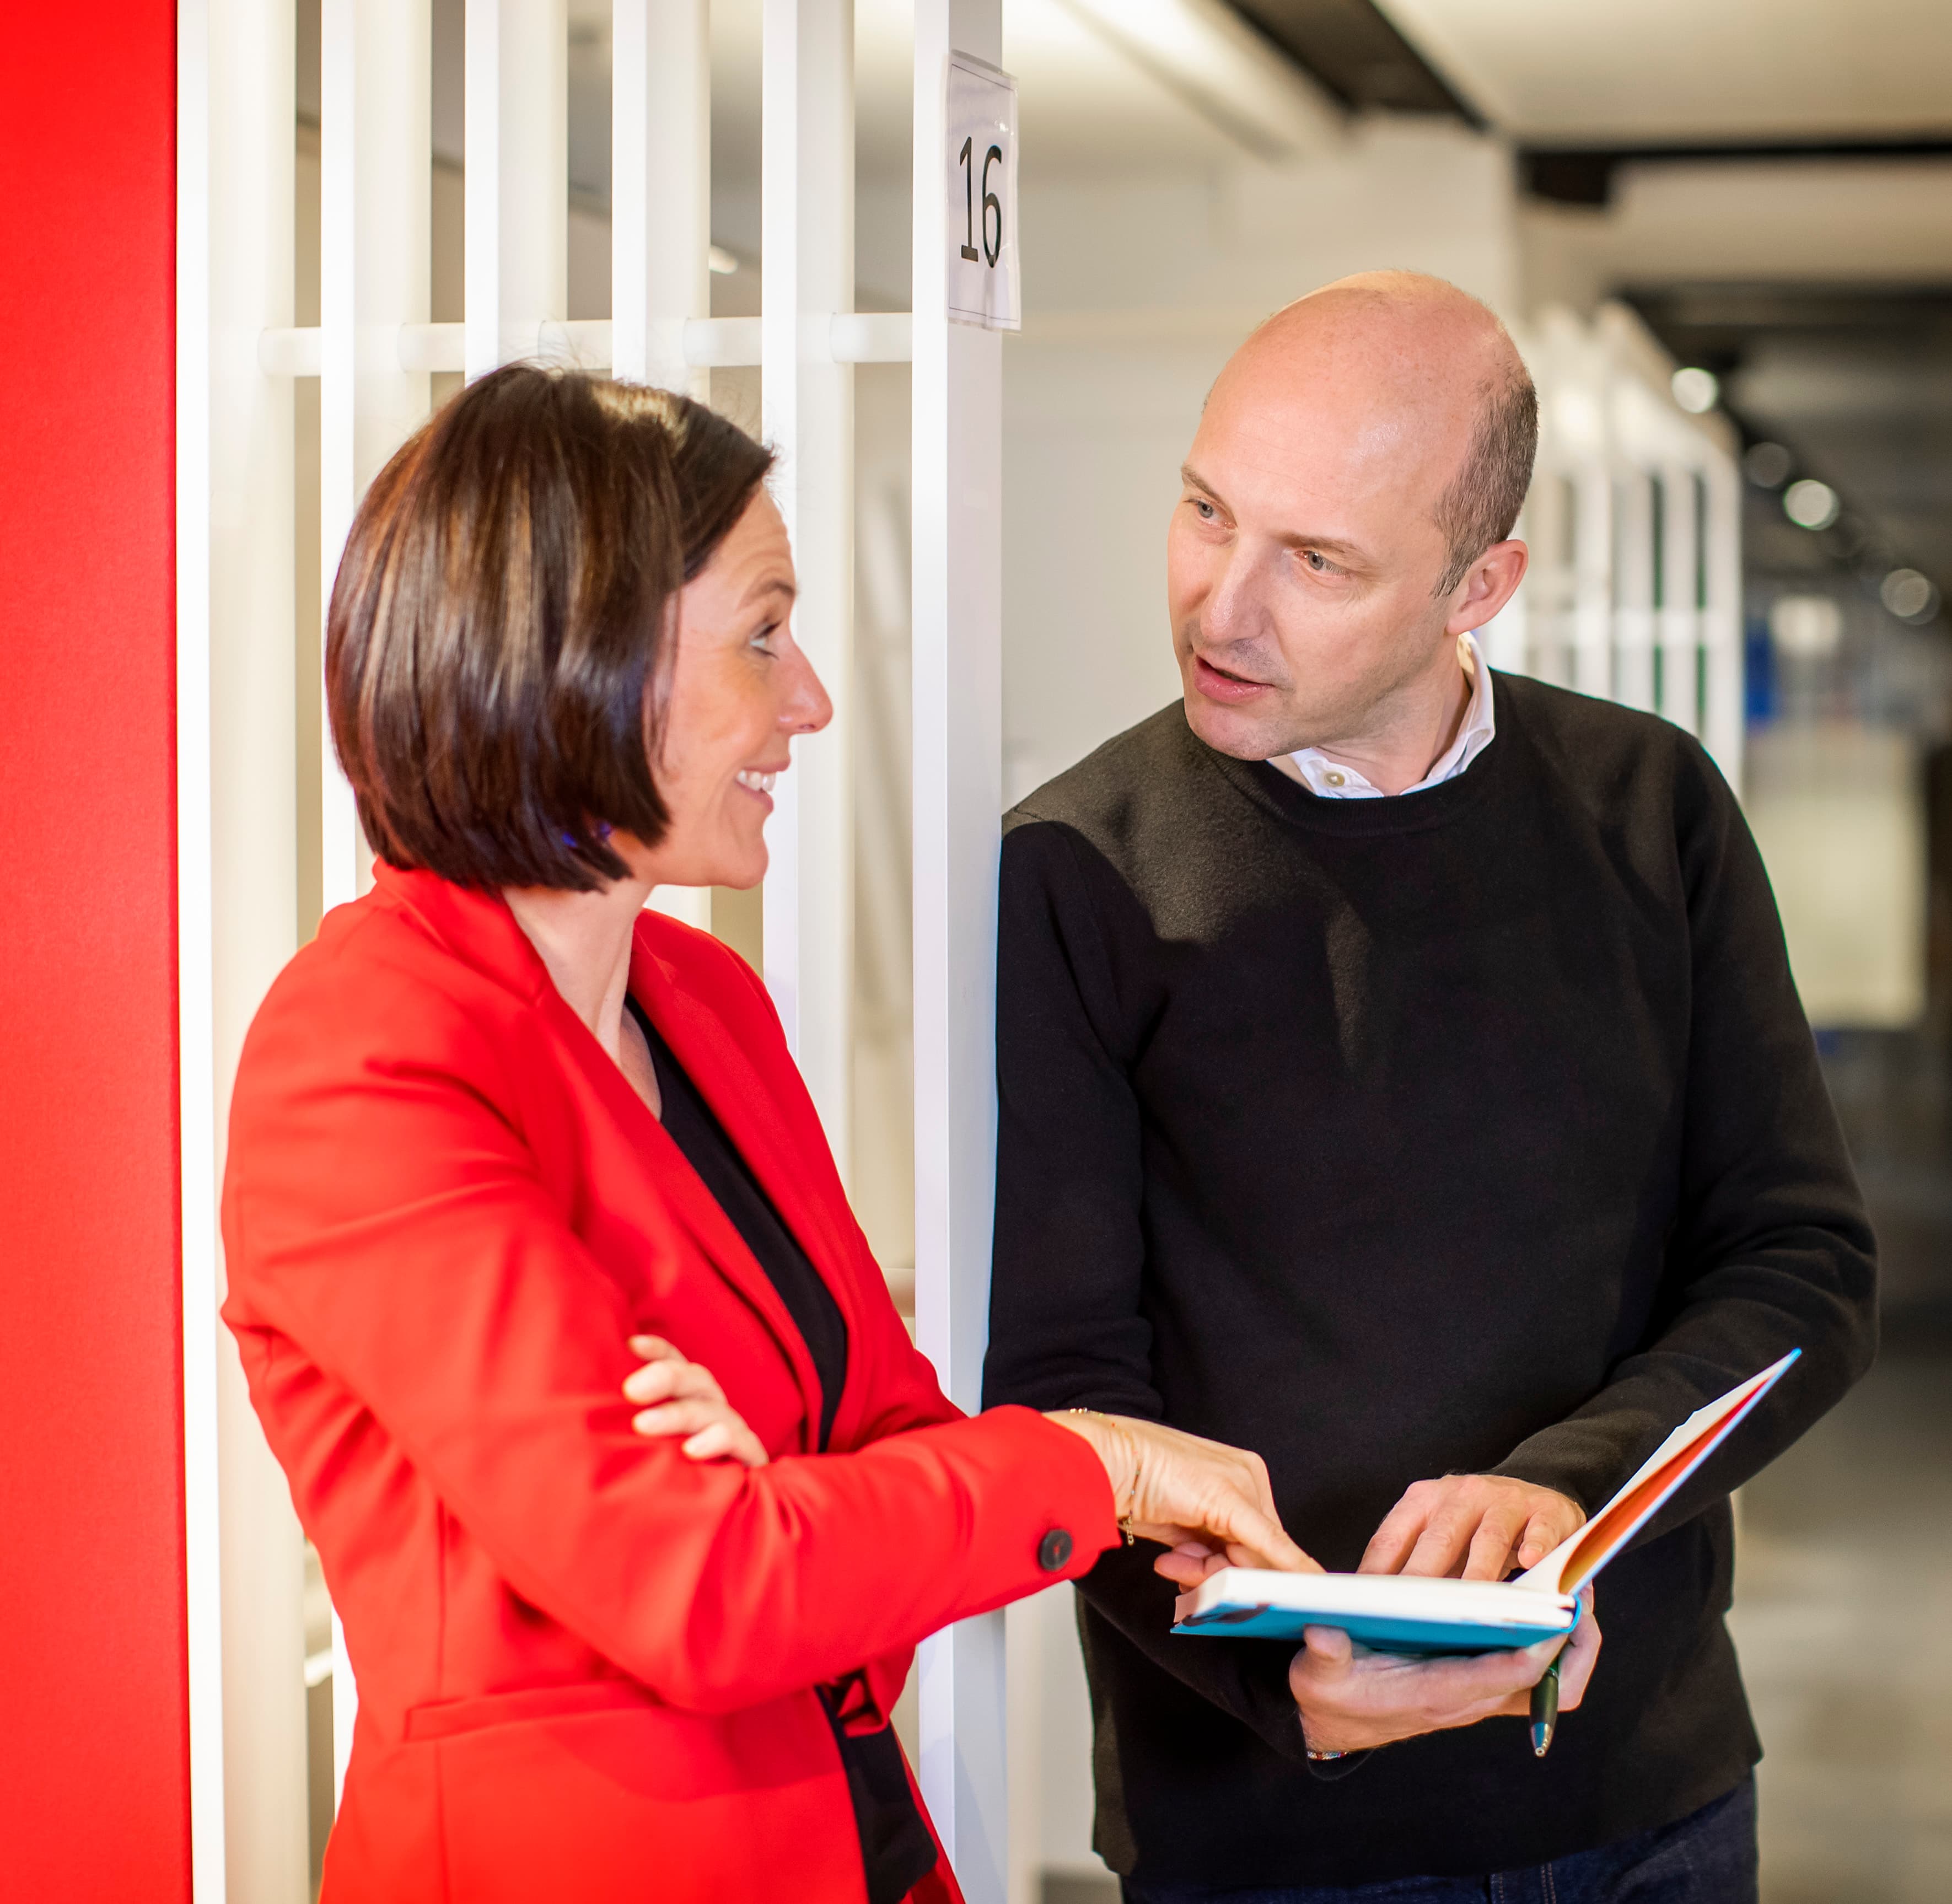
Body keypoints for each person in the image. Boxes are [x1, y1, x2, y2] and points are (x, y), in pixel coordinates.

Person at [219, 365, 1315, 1904]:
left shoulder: (702, 1001)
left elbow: (887, 1440)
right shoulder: (364, 1049)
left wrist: (788, 1508)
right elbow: (700, 1586)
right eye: (760, 635)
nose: (807, 699)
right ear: (575, 658)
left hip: (845, 1838)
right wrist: (1097, 1464)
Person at [982, 272, 1878, 1901]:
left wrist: (1566, 1486)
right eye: (1204, 511)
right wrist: (1282, 1697)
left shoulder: (1650, 808)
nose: (1217, 606)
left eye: (1315, 561)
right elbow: (1060, 1387)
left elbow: (1804, 1271)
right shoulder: (1074, 872)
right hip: (1269, 1833)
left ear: (1482, 585)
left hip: (1648, 1803)